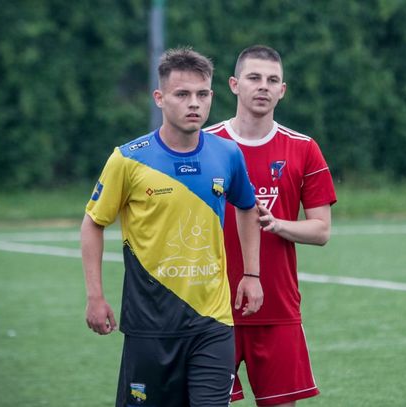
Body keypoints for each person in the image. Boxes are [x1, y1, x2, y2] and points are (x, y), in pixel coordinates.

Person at [81, 47, 263, 407]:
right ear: (160, 98)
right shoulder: (128, 159)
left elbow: (247, 207)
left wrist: (252, 274)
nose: (194, 103)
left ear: (212, 96)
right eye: (182, 94)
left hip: (212, 323)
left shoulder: (227, 154)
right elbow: (93, 224)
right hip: (149, 326)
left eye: (202, 94)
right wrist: (95, 296)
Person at [205, 45, 337, 407]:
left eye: (272, 80)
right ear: (234, 85)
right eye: (254, 77)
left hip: (278, 308)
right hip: (211, 308)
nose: (263, 86)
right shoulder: (205, 144)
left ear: (282, 90)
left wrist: (276, 224)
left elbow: (321, 230)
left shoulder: (304, 148)